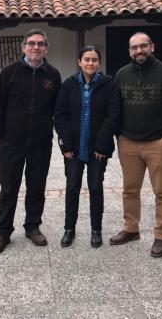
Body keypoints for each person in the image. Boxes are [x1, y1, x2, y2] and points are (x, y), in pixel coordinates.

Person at [110, 32, 162, 258]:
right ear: (129, 51)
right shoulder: (121, 75)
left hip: (156, 143)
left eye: (143, 46)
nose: (139, 51)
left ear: (152, 46)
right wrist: (118, 136)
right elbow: (115, 108)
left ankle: (161, 236)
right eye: (134, 47)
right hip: (128, 143)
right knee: (130, 190)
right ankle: (131, 229)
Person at [0, 28, 62, 255]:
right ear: (24, 47)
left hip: (40, 142)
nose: (36, 47)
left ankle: (33, 226)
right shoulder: (9, 72)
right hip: (11, 141)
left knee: (36, 186)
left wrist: (61, 136)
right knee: (9, 187)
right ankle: (3, 231)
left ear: (46, 48)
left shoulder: (53, 75)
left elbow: (57, 110)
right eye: (31, 43)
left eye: (40, 44)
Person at [54, 46, 121, 248]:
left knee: (95, 187)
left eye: (94, 60)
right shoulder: (69, 85)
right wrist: (64, 143)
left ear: (98, 63)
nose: (90, 63)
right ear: (79, 62)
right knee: (72, 187)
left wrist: (102, 144)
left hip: (98, 150)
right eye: (86, 59)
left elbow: (113, 116)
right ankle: (69, 229)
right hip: (73, 149)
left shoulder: (109, 84)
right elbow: (60, 115)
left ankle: (96, 230)